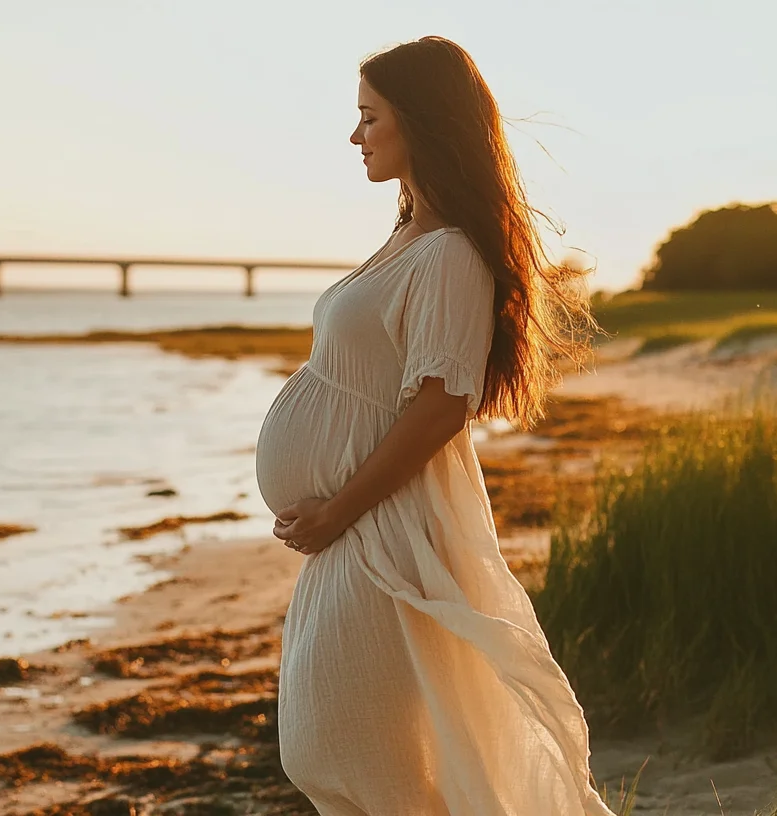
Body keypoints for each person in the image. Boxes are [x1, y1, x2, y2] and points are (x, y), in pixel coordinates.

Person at [254, 36, 615, 815]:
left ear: (419, 120)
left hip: (384, 537)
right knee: (331, 750)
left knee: (364, 758)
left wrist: (337, 508)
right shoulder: (409, 239)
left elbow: (441, 406)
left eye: (369, 117)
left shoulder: (449, 254)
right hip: (349, 538)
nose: (356, 137)